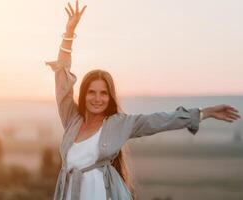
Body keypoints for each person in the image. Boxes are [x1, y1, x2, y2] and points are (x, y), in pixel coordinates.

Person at [45, 1, 241, 200]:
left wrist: (203, 112)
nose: (97, 98)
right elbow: (62, 79)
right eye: (92, 92)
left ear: (110, 97)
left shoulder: (118, 124)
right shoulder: (72, 119)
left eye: (104, 93)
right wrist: (69, 33)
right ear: (84, 94)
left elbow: (159, 120)